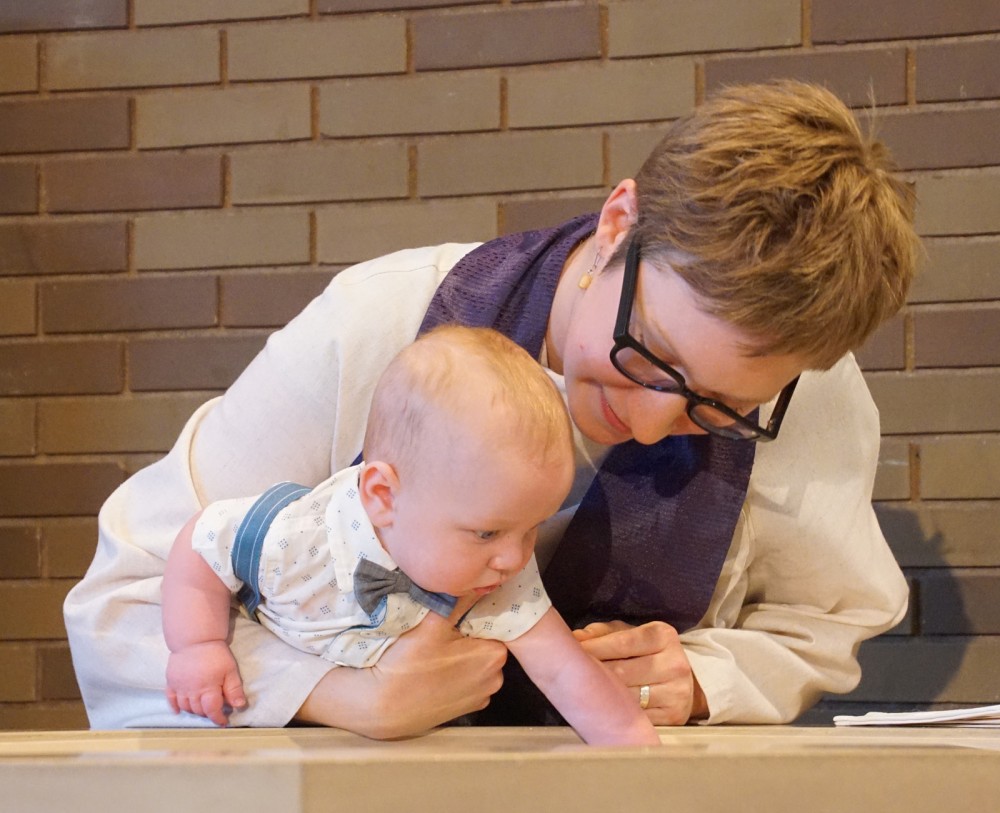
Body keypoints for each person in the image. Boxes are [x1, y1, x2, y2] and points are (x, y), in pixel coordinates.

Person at [65, 80, 920, 735]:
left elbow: (824, 619)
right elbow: (124, 600)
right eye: (649, 354)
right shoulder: (381, 322)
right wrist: (336, 692)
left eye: (721, 408)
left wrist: (701, 678)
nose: (657, 424)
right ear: (620, 223)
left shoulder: (808, 395)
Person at [160, 325, 659, 745]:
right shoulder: (297, 538)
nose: (513, 558)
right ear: (383, 497)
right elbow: (201, 543)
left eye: (532, 529)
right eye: (487, 532)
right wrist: (198, 646)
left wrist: (636, 743)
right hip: (276, 741)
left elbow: (563, 669)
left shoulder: (498, 569)